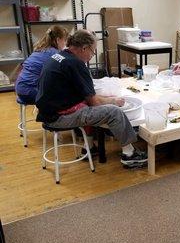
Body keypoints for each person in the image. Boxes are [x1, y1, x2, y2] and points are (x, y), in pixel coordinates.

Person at [35, 30, 147, 166]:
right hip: (57, 118)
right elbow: (94, 102)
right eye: (93, 51)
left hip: (48, 112)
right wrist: (114, 101)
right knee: (114, 112)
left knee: (88, 104)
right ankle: (129, 154)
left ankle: (89, 147)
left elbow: (82, 94)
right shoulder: (76, 64)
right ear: (84, 48)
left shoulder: (59, 56)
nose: (92, 56)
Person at [15, 25, 68, 104]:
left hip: (20, 89)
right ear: (58, 40)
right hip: (31, 92)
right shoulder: (54, 53)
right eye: (64, 41)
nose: (65, 44)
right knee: (67, 95)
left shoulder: (40, 49)